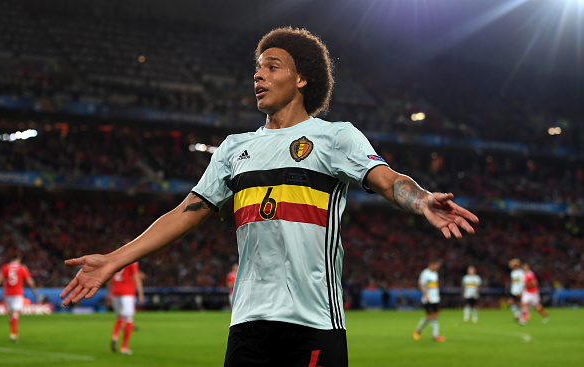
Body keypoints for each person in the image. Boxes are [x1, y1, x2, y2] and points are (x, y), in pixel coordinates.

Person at [60, 27, 478, 366]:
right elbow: (185, 212)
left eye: (271, 67)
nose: (258, 75)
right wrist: (113, 260)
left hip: (313, 322)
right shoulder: (232, 149)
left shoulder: (334, 137)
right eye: (257, 68)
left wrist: (421, 200)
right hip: (248, 325)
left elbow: (388, 181)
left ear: (301, 78)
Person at [0, 251, 38, 342]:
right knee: (16, 313)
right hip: (17, 294)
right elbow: (30, 281)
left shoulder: (5, 267)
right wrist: (34, 291)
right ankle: (13, 333)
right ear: (19, 259)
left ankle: (12, 331)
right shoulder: (22, 268)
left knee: (12, 313)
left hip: (7, 294)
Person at [106, 261, 144, 355]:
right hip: (127, 293)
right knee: (128, 319)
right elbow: (135, 276)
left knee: (120, 317)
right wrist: (140, 293)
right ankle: (124, 347)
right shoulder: (133, 261)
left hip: (115, 292)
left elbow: (109, 278)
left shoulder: (118, 259)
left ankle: (115, 335)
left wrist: (109, 294)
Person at [413, 260, 446, 342]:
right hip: (428, 299)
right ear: (431, 265)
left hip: (435, 298)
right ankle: (417, 330)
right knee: (430, 316)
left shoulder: (435, 273)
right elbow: (421, 285)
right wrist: (426, 296)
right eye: (436, 266)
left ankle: (435, 335)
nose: (437, 268)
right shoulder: (425, 273)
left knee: (435, 316)